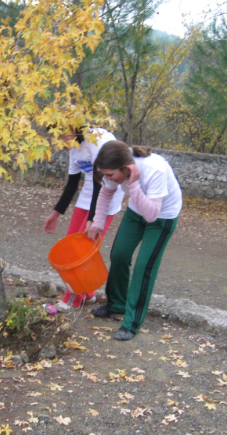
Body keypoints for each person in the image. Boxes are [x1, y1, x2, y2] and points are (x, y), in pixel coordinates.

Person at [87, 140, 182, 341]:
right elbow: (106, 193)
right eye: (105, 174)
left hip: (161, 218)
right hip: (135, 211)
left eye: (110, 175)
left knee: (143, 267)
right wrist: (97, 223)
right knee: (119, 254)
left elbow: (151, 215)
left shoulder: (155, 170)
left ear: (125, 168)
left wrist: (134, 184)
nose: (108, 178)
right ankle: (116, 305)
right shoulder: (117, 164)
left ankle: (132, 322)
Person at [43, 126, 124, 312]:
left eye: (58, 136)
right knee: (70, 245)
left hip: (106, 194)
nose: (56, 142)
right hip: (88, 194)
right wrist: (55, 214)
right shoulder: (74, 146)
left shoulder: (96, 140)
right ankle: (87, 293)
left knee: (81, 250)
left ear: (71, 129)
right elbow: (72, 183)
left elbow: (101, 180)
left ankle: (72, 299)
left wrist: (93, 218)